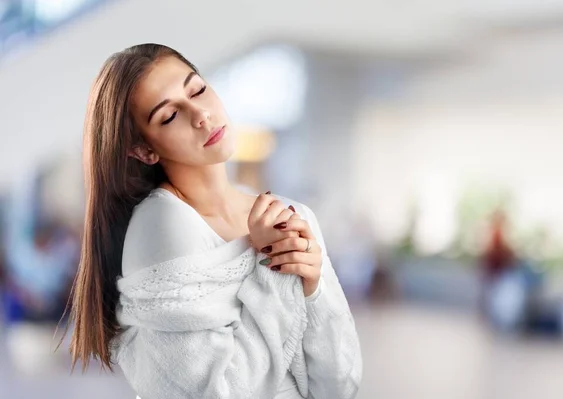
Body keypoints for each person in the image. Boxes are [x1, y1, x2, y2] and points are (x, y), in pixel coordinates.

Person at [65, 43, 362, 399]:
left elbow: (340, 386)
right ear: (144, 150)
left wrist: (313, 287)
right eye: (169, 115)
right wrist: (271, 265)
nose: (201, 115)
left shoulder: (291, 214)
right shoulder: (163, 223)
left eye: (198, 90)